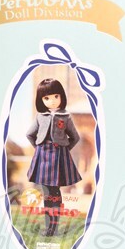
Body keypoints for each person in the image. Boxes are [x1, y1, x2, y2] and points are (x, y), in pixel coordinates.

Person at [26, 78, 81, 237]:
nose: (52, 101)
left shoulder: (65, 117)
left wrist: (64, 150)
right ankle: (48, 227)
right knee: (46, 193)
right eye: (47, 98)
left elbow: (75, 137)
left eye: (56, 96)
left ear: (62, 96)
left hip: (58, 159)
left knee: (55, 193)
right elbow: (29, 134)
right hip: (43, 159)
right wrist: (39, 149)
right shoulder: (40, 117)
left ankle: (54, 228)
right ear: (41, 100)